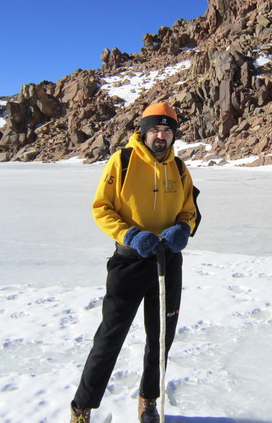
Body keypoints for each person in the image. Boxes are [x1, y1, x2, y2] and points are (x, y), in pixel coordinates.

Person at [70, 102, 198, 423]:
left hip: (167, 261)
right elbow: (102, 208)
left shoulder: (180, 168)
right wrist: (130, 235)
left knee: (160, 337)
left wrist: (183, 229)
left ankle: (149, 400)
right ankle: (82, 407)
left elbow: (190, 211)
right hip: (129, 261)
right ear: (143, 130)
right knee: (110, 335)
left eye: (167, 130)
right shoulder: (123, 161)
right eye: (155, 129)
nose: (160, 136)